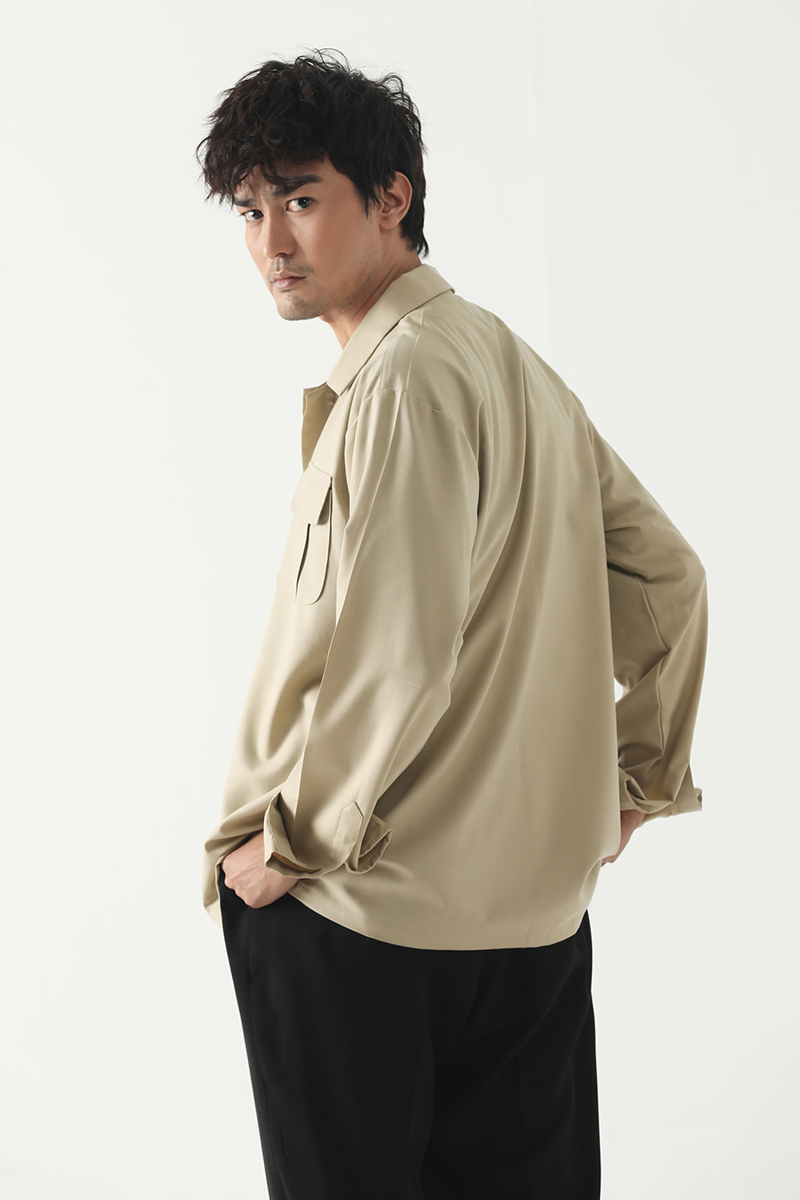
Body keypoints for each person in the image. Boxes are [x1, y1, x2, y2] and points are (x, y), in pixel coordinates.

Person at [197, 50, 707, 1200]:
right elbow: (669, 582)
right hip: (528, 930)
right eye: (250, 210)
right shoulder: (508, 365)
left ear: (393, 197)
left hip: (358, 918)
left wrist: (288, 845)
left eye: (301, 198)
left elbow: (399, 652)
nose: (271, 241)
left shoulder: (403, 380)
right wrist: (636, 779)